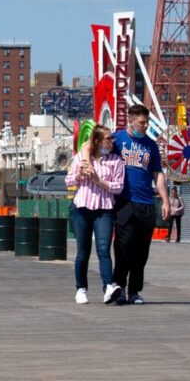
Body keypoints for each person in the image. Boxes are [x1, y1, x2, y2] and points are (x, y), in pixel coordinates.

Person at [110, 104, 169, 305]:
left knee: (141, 250)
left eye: (147, 122)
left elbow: (157, 173)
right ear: (131, 120)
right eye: (142, 123)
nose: (145, 126)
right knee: (123, 246)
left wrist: (165, 200)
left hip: (146, 203)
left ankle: (135, 290)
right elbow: (96, 146)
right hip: (124, 202)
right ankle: (119, 288)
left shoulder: (151, 146)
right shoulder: (117, 140)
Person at [66, 124, 125, 305]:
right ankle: (81, 288)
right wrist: (79, 174)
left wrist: (99, 181)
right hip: (82, 208)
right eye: (108, 138)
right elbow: (68, 181)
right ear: (98, 140)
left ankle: (108, 286)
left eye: (112, 138)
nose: (112, 142)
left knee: (103, 249)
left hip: (104, 210)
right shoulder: (82, 158)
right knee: (83, 252)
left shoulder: (116, 161)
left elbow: (118, 187)